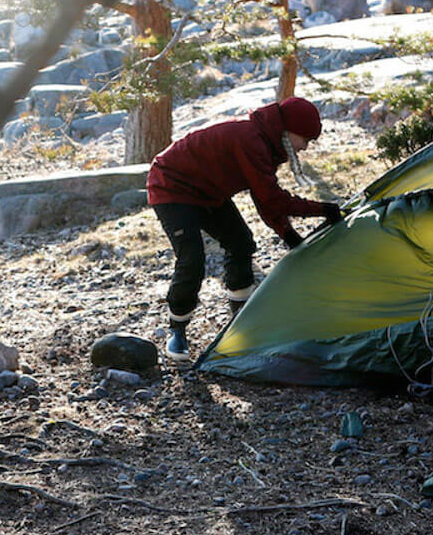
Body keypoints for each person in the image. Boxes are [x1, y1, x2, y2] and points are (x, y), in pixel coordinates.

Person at [146, 96, 343, 362]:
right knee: (192, 257)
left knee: (240, 242)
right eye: (305, 139)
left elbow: (263, 198)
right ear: (289, 130)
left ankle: (241, 320)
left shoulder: (268, 142)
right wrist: (323, 209)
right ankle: (177, 330)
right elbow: (272, 197)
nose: (305, 148)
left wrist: (289, 235)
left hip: (208, 192)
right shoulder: (251, 139)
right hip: (171, 185)